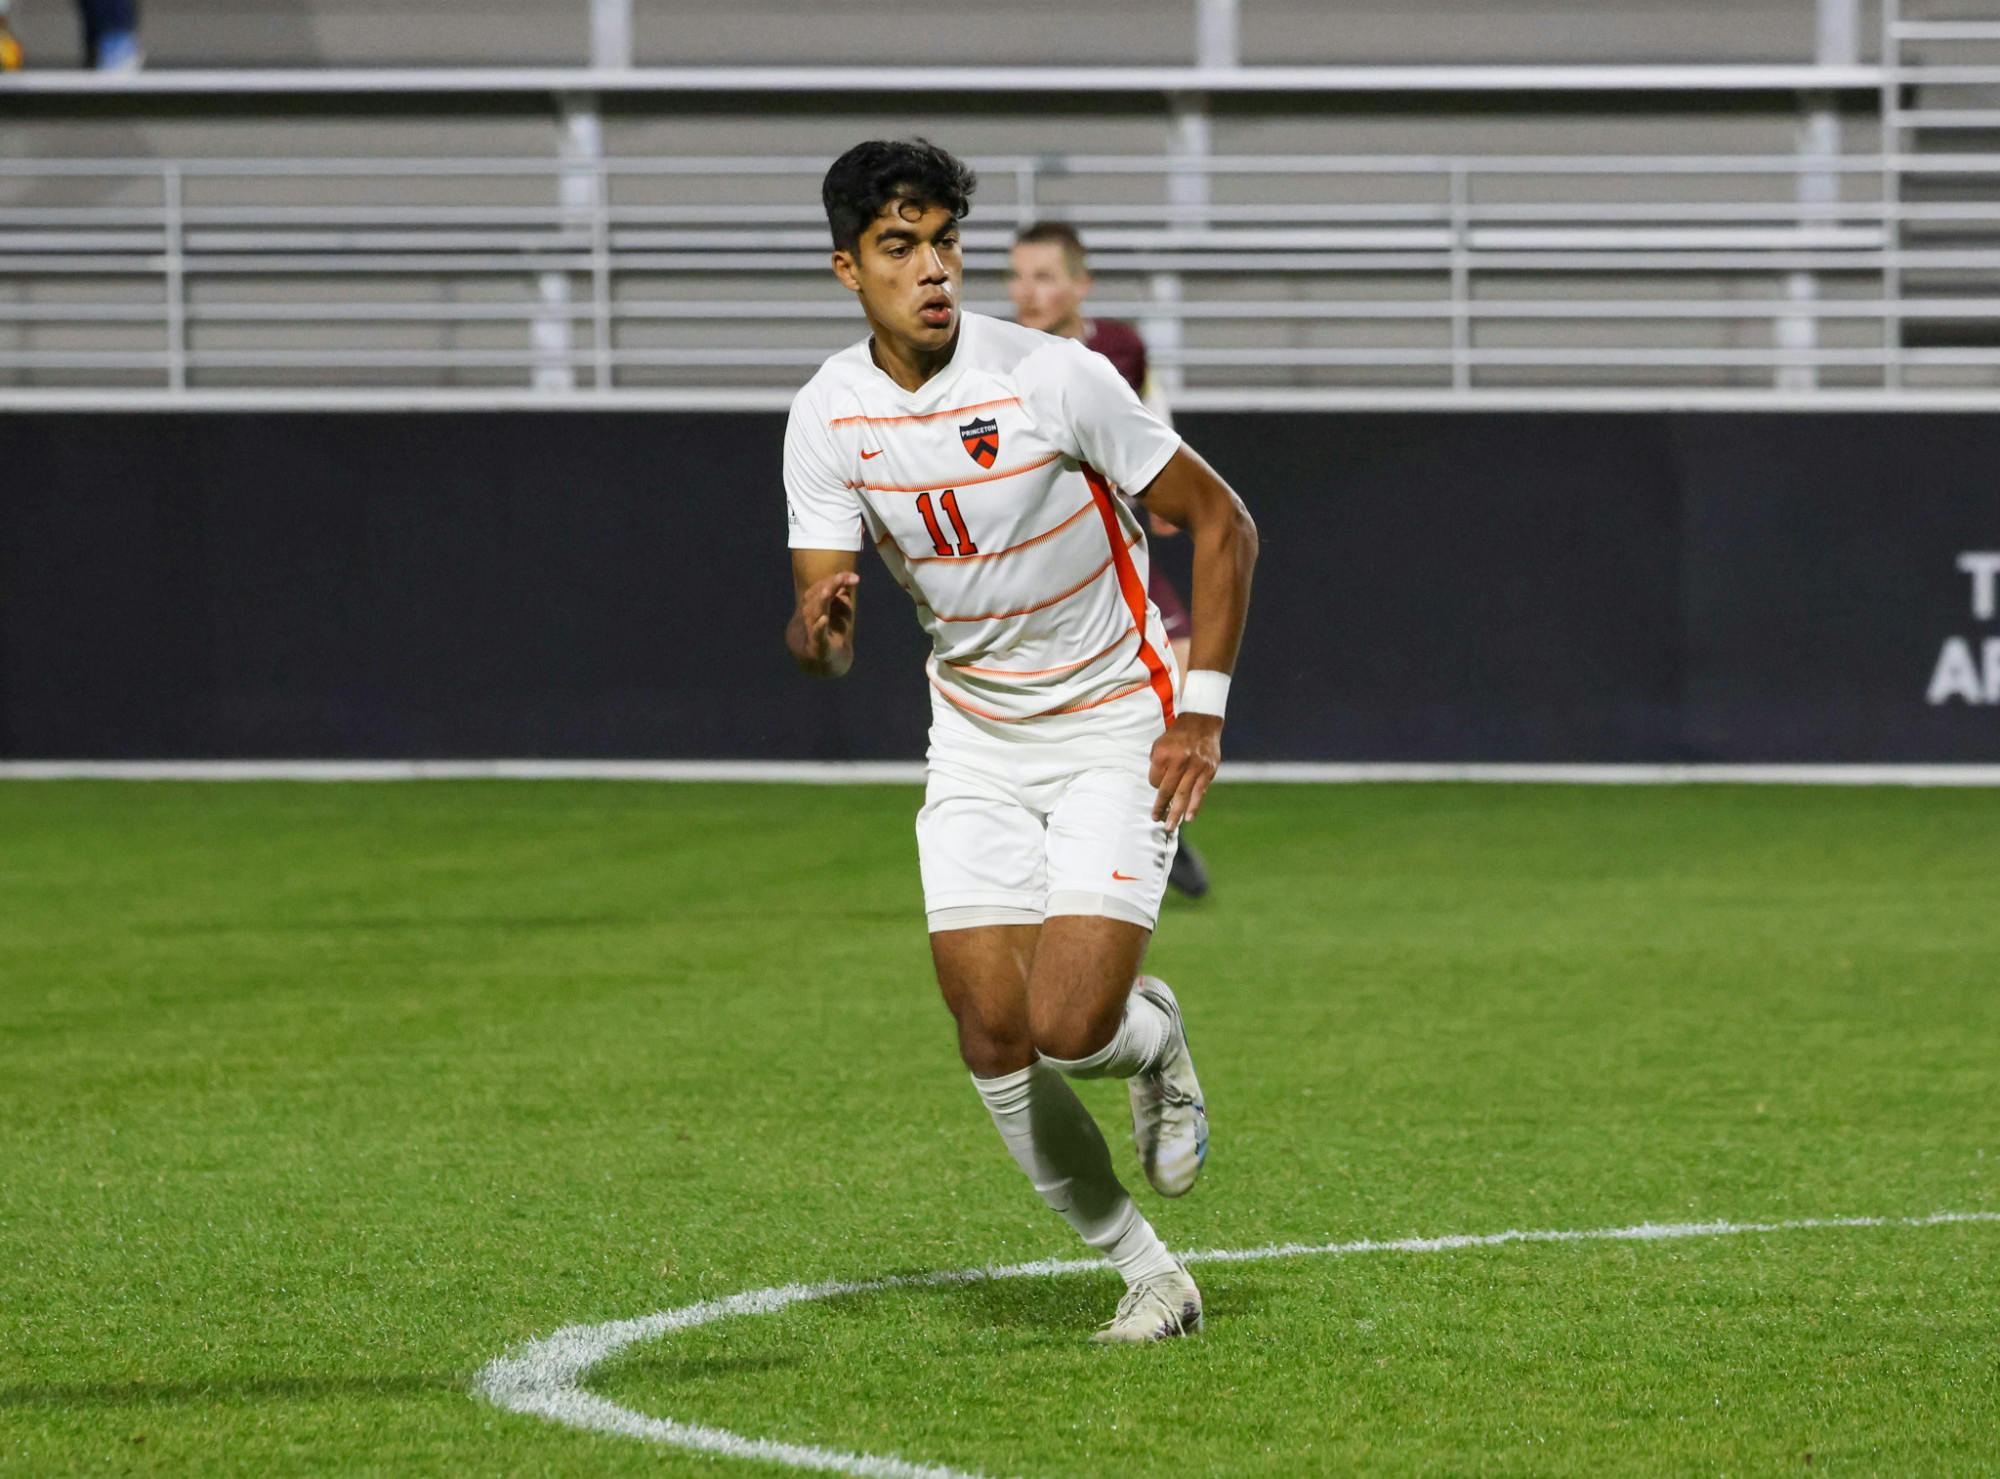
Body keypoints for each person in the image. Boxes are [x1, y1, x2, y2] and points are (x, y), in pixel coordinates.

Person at [784, 139, 1258, 1342]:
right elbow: (824, 642)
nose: (932, 268)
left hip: (1115, 720)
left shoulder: (1057, 377)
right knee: (990, 1030)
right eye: (901, 247)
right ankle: (1149, 1273)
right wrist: (818, 630)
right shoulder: (826, 414)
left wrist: (1199, 707)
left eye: (945, 241)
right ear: (848, 267)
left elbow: (1222, 523)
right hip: (977, 743)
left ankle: (1152, 1043)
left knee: (1070, 1025)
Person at [1008, 220, 1212, 898]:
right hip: (1039, 566)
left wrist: (1167, 482)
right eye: (1017, 275)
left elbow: (1150, 413)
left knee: (1175, 688)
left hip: (1118, 551)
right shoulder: (1000, 358)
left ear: (1079, 284)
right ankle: (1061, 835)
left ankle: (1148, 823)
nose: (1026, 291)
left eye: (1043, 275)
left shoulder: (1121, 348)